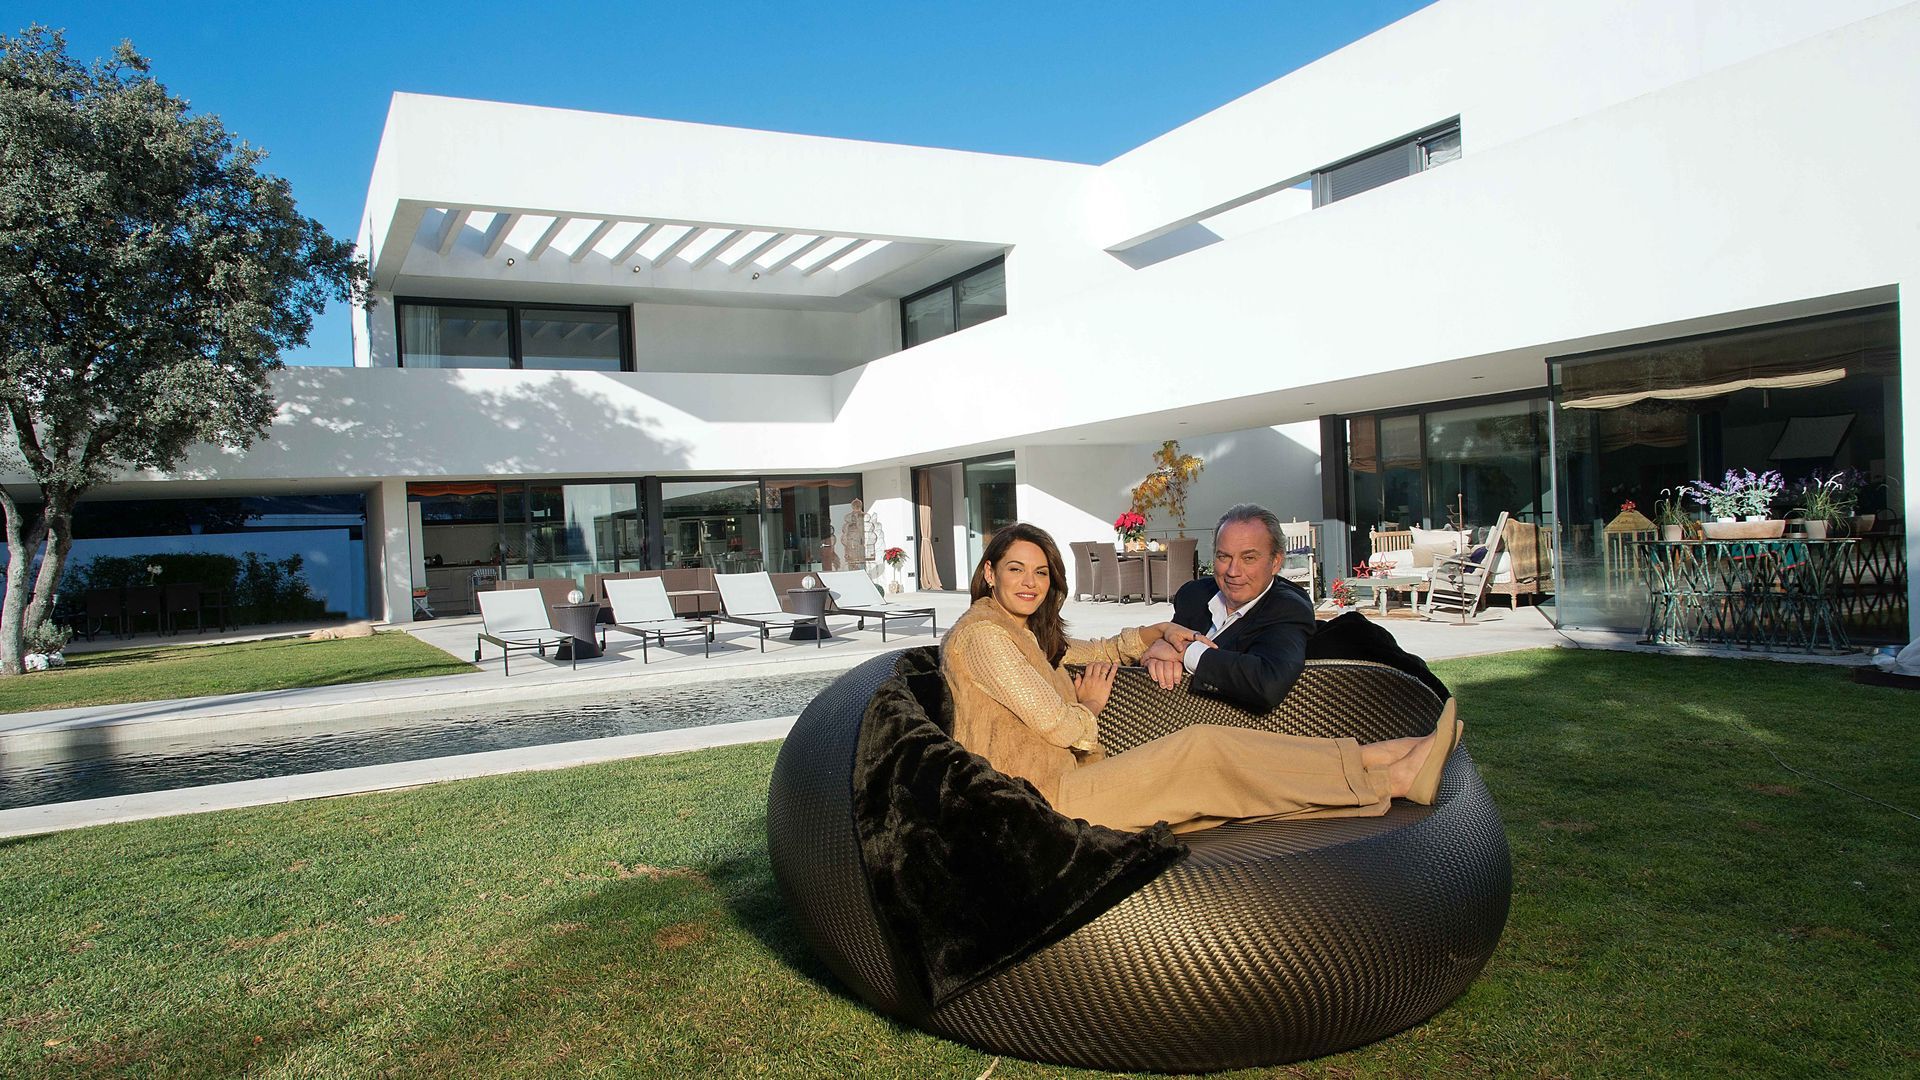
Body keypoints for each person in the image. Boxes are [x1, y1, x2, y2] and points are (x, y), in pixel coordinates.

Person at [941, 522, 1460, 835]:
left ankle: (1385, 757)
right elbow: (1059, 727)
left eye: (1040, 572)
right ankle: (1389, 775)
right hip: (1041, 800)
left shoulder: (1022, 632)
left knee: (1218, 764)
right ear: (989, 573)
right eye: (1015, 569)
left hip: (1060, 783)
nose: (1030, 583)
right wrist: (1090, 709)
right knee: (1203, 751)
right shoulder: (985, 637)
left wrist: (1160, 633)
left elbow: (1088, 649)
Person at [1139, 503, 1313, 714]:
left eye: (1248, 558)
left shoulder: (1287, 608)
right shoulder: (1193, 596)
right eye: (1224, 557)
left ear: (1275, 562)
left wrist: (1186, 653)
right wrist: (1158, 659)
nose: (1233, 571)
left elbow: (1268, 682)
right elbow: (1165, 650)